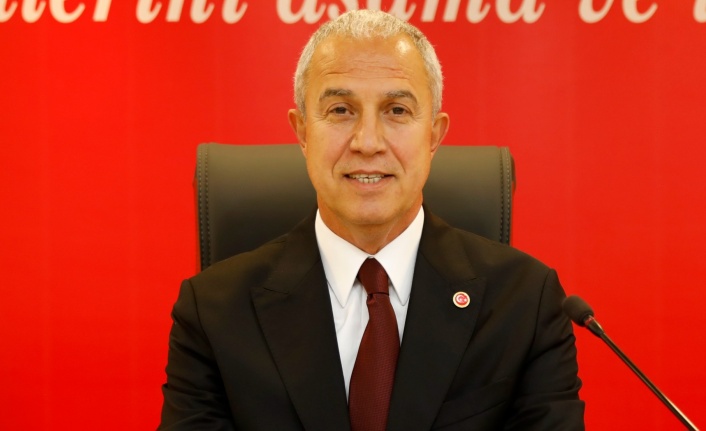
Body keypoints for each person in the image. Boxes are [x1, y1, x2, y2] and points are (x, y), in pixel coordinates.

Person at [159, 9, 584, 431]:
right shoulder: (213, 312)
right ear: (302, 132)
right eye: (340, 110)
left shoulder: (525, 304)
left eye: (396, 110)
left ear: (434, 135)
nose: (367, 142)